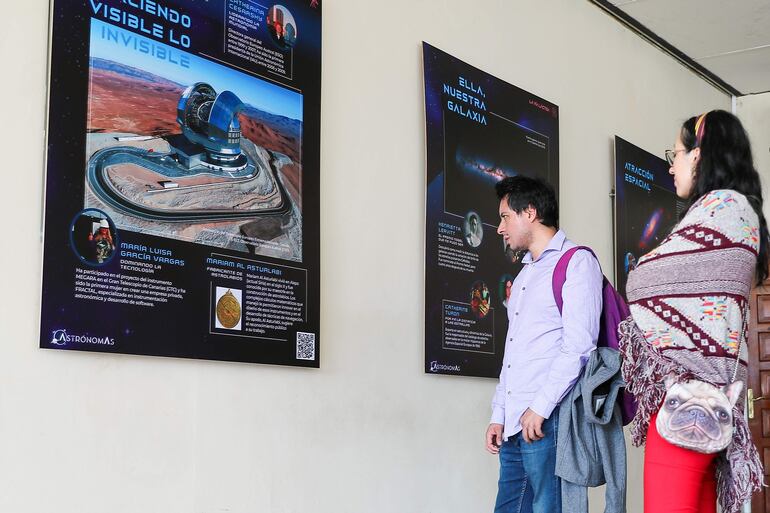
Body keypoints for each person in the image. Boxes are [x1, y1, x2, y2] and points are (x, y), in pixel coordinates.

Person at [619, 110, 768, 513]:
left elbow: (644, 279)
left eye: (677, 153)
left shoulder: (723, 208)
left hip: (688, 400)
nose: (671, 166)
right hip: (712, 401)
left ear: (700, 155)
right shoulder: (740, 212)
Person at [486, 175, 603, 513]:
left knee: (548, 508)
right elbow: (514, 351)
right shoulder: (524, 275)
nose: (500, 228)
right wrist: (499, 413)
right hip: (515, 423)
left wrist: (539, 407)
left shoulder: (577, 262)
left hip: (546, 419)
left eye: (506, 216)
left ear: (530, 213)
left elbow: (579, 347)